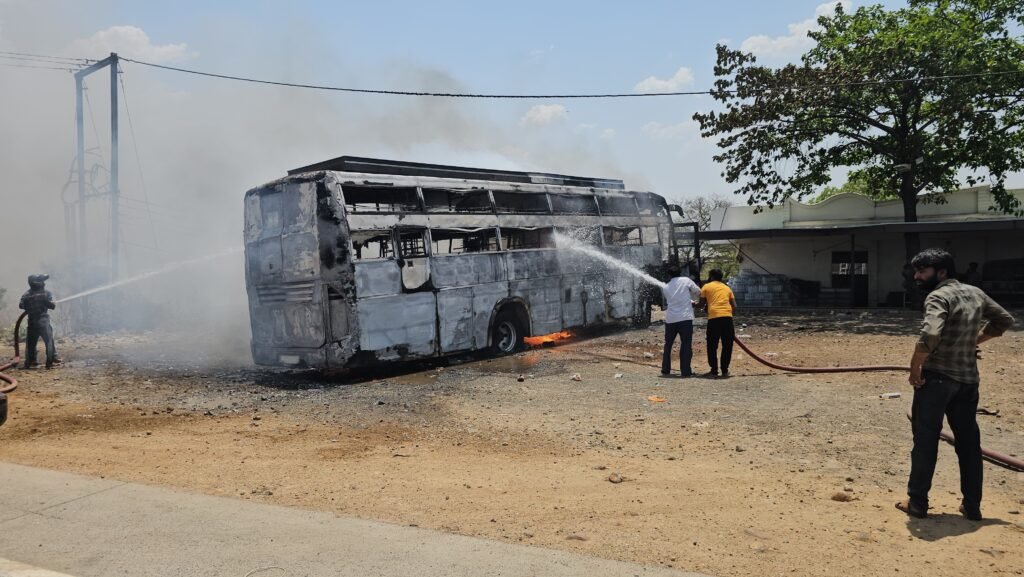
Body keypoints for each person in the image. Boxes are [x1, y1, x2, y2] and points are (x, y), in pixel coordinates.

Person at [896, 249, 1014, 521]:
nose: (916, 276)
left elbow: (931, 333)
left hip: (937, 379)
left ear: (941, 272)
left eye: (922, 271)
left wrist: (915, 367)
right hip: (968, 381)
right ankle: (972, 507)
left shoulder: (938, 296)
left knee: (925, 440)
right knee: (969, 442)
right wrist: (975, 341)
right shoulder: (976, 293)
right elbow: (1004, 320)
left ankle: (917, 502)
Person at [660, 264, 700, 377]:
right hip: (685, 318)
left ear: (669, 275)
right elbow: (697, 291)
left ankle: (665, 369)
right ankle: (685, 371)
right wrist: (693, 301)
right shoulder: (686, 280)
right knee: (686, 344)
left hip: (671, 319)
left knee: (668, 344)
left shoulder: (666, 287)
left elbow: (674, 300)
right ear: (680, 272)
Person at [699, 269, 737, 378]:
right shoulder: (727, 288)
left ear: (711, 276)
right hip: (727, 319)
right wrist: (728, 315)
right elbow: (734, 306)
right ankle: (725, 370)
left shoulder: (706, 287)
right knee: (727, 345)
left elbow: (701, 304)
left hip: (714, 319)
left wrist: (691, 304)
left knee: (712, 345)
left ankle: (714, 371)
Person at [19, 274, 60, 369]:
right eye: (41, 281)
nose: (43, 283)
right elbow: (51, 305)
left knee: (30, 344)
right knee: (48, 341)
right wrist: (48, 302)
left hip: (32, 323)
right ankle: (49, 362)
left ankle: (29, 362)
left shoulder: (26, 295)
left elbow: (21, 305)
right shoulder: (45, 293)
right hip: (43, 322)